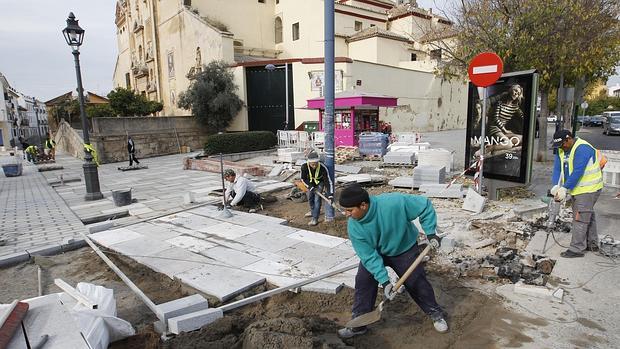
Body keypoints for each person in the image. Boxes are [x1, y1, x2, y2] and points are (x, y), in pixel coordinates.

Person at [337, 183, 448, 338]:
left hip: (404, 248)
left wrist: (430, 233)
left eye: (349, 210)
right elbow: (368, 256)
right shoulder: (354, 227)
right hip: (377, 252)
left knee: (416, 281)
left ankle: (435, 313)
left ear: (363, 205)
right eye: (344, 210)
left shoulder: (394, 202)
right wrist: (385, 282)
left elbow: (424, 205)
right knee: (363, 281)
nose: (346, 214)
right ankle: (359, 325)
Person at [550, 129, 604, 258]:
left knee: (580, 217)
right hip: (577, 188)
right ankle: (592, 243)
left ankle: (576, 249)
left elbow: (578, 171)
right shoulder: (561, 148)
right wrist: (555, 186)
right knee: (587, 214)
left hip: (589, 188)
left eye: (562, 144)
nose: (560, 148)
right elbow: (557, 168)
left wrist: (564, 188)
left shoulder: (583, 148)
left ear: (569, 139)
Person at [486, 84, 525, 152]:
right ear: (511, 90)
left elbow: (522, 116)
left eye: (518, 93)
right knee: (509, 145)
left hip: (503, 131)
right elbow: (496, 119)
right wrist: (505, 130)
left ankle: (500, 144)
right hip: (495, 129)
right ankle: (489, 148)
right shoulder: (500, 104)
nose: (516, 94)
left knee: (522, 138)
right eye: (515, 91)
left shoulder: (515, 107)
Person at [300, 150, 335, 226]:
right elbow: (303, 179)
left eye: (316, 164)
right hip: (310, 183)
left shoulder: (322, 167)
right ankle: (313, 212)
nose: (314, 166)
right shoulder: (304, 167)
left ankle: (315, 218)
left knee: (317, 200)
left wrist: (330, 194)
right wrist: (310, 186)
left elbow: (328, 182)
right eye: (312, 164)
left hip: (320, 183)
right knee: (310, 198)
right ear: (309, 163)